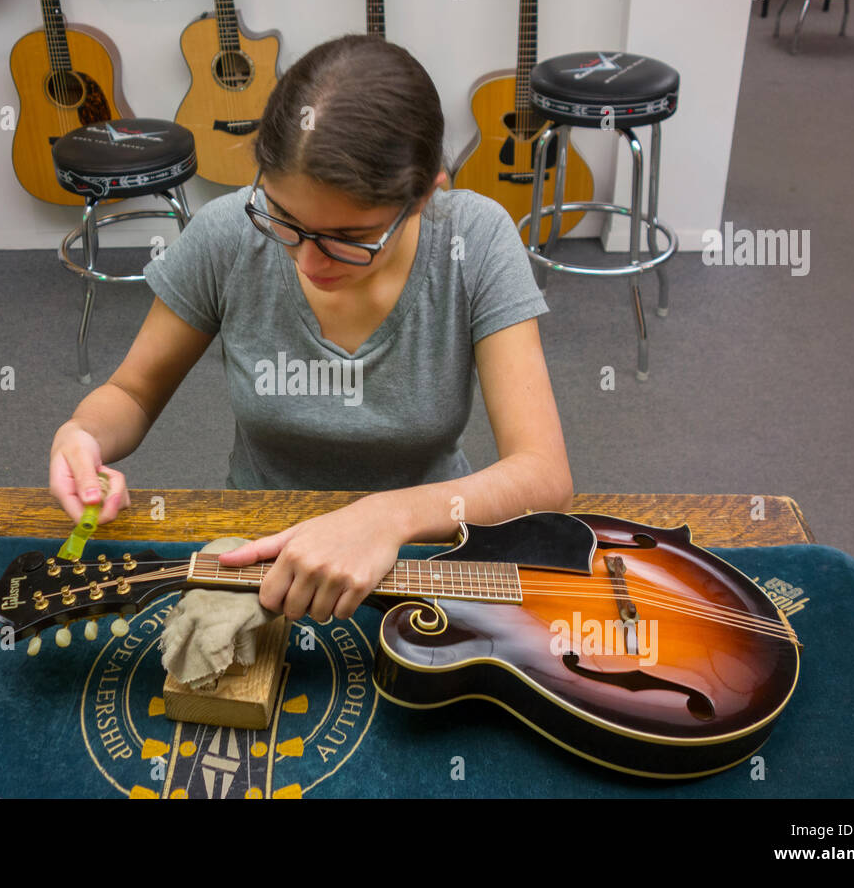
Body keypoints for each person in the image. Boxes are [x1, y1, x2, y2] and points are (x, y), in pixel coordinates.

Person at [50, 34, 572, 624]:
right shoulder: (226, 235)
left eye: (350, 239)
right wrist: (84, 433)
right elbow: (131, 393)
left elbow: (543, 475)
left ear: (427, 194)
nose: (307, 261)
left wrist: (385, 518)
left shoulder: (473, 241)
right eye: (283, 218)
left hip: (423, 546)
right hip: (258, 552)